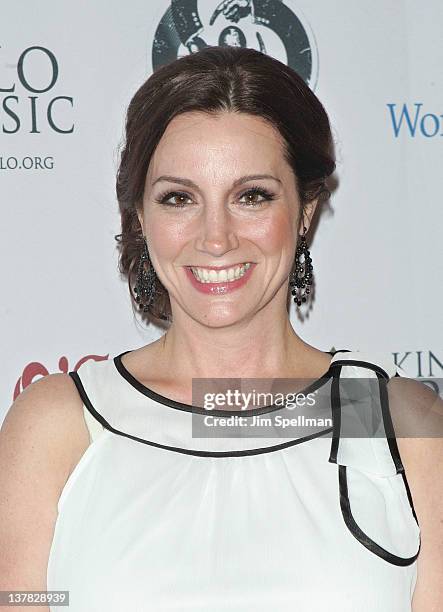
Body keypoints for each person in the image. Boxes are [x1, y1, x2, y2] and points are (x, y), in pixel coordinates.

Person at [0, 46, 441, 612]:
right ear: (139, 214)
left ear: (306, 209)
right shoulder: (61, 426)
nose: (216, 237)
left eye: (251, 196)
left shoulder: (391, 422)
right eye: (179, 198)